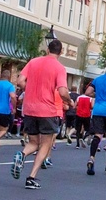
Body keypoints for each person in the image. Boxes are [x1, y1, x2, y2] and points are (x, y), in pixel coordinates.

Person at [13, 39, 73, 189]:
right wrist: (70, 102)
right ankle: (31, 177)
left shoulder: (33, 62)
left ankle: (22, 154)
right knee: (45, 144)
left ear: (47, 49)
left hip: (29, 108)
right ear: (61, 52)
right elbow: (62, 91)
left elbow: (20, 81)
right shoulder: (59, 68)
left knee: (33, 142)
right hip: (47, 110)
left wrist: (31, 89)